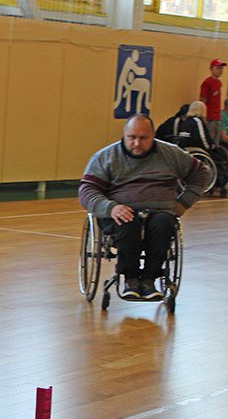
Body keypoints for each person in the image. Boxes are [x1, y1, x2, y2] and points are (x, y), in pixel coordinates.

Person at [78, 115, 210, 300]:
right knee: (126, 222)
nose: (137, 143)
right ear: (124, 135)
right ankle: (130, 279)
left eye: (143, 138)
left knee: (163, 224)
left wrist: (183, 203)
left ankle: (149, 279)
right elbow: (87, 190)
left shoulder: (171, 154)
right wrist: (110, 208)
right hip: (119, 212)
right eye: (131, 137)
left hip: (160, 212)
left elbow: (201, 175)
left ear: (153, 136)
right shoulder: (105, 157)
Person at [200, 59, 227, 144]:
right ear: (211, 69)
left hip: (217, 116)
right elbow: (203, 99)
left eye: (221, 68)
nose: (220, 70)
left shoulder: (219, 83)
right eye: (218, 68)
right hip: (210, 117)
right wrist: (203, 115)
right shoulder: (207, 82)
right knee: (210, 139)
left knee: (216, 140)